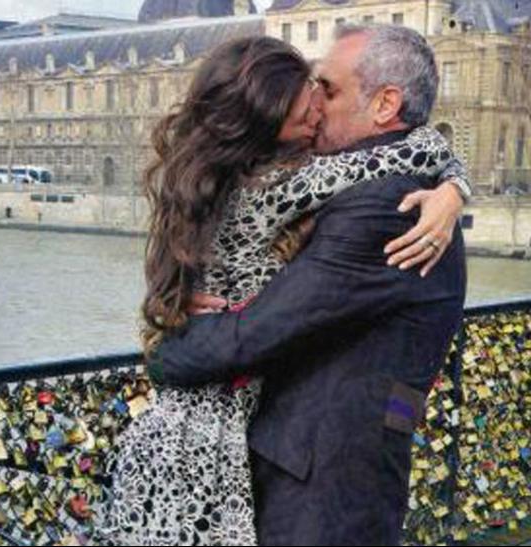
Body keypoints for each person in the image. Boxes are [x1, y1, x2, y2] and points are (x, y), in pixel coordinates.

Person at [103, 31, 469, 546]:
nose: (315, 103)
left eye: (330, 89)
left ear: (386, 104)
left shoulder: (387, 205)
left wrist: (163, 355)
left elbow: (257, 332)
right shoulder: (362, 184)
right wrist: (456, 183)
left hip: (322, 482)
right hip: (330, 464)